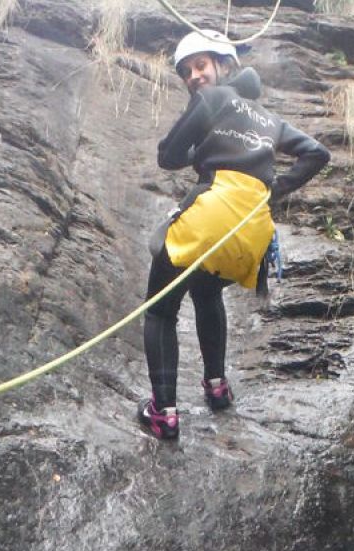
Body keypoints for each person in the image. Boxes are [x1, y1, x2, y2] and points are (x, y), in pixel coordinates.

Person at [139, 29, 331, 439]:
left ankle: (164, 413)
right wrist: (273, 189)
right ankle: (217, 388)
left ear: (224, 67)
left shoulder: (210, 99)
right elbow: (317, 153)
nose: (193, 76)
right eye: (187, 71)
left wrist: (195, 151)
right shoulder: (272, 120)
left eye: (201, 65)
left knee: (159, 310)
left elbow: (168, 157)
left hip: (213, 214)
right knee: (206, 294)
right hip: (253, 231)